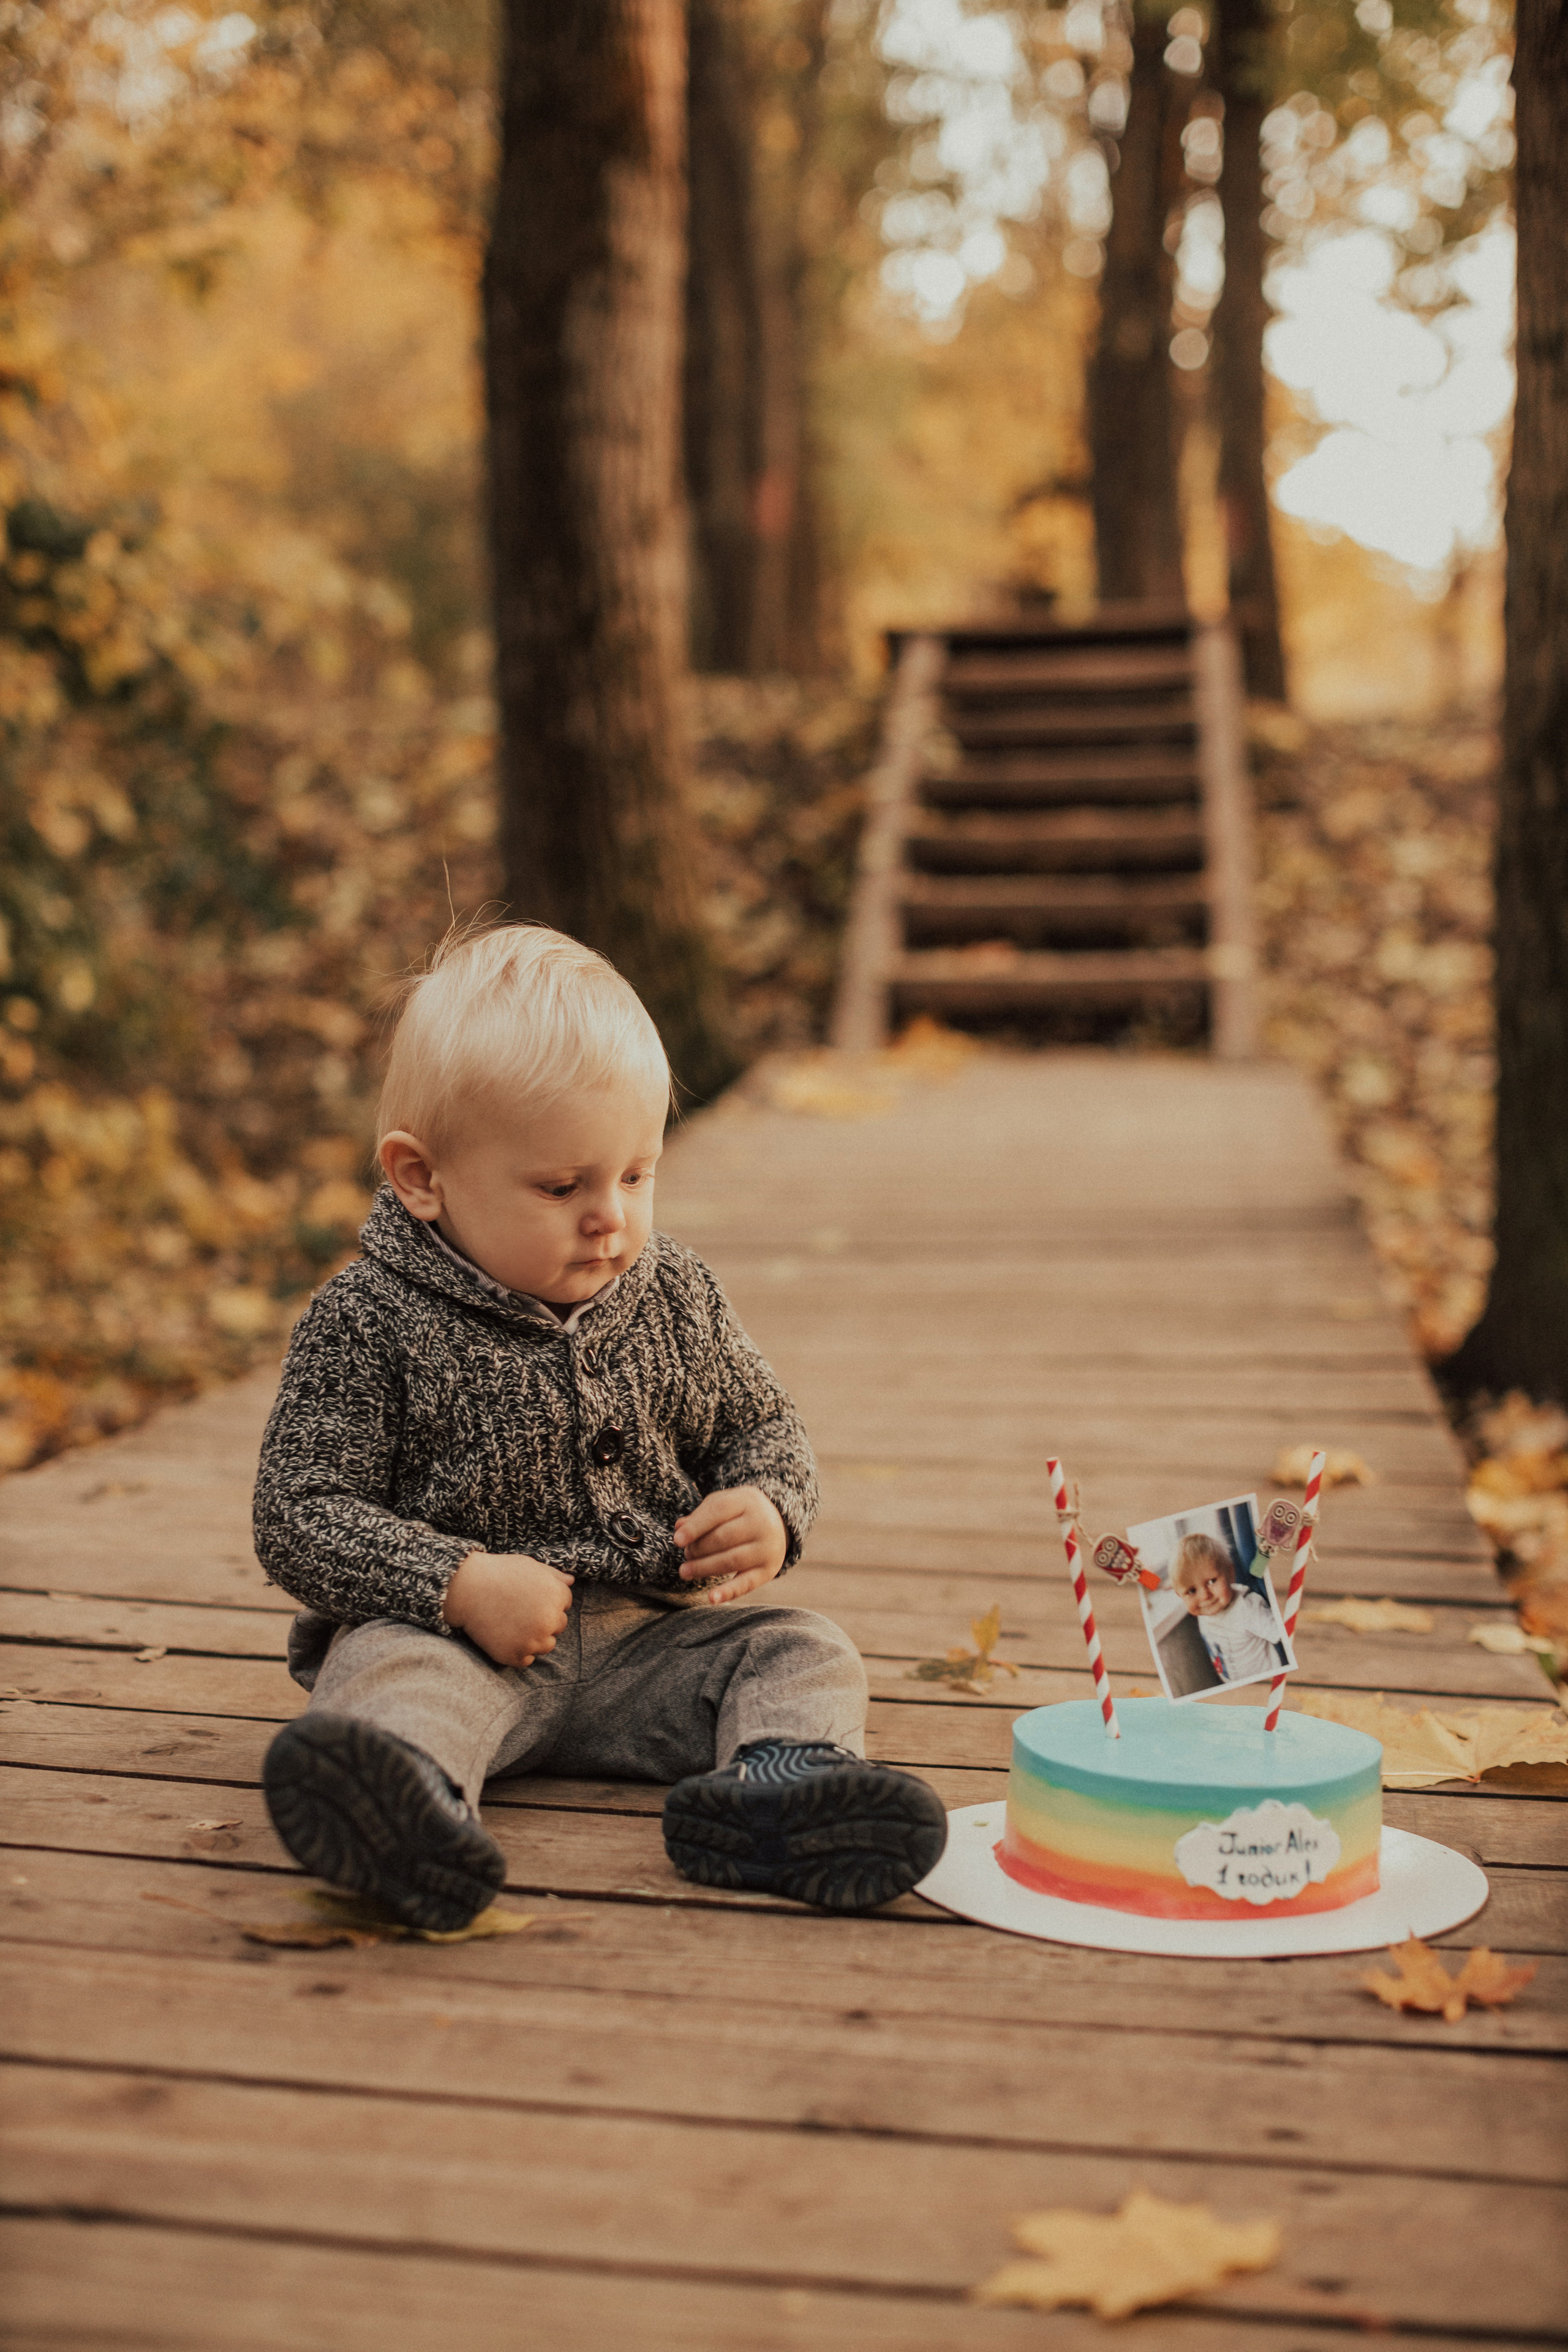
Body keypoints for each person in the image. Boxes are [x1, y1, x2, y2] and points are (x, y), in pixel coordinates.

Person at [254, 922, 947, 1930]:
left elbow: (764, 1429)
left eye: (636, 1175)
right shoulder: (369, 1321)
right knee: (383, 1672)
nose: (610, 1219)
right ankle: (404, 1807)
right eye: (562, 1186)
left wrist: (767, 1506)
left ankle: (780, 1790)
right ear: (422, 1178)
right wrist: (453, 1583)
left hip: (650, 1650)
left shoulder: (677, 1295)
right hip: (466, 1651)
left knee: (803, 1648)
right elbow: (298, 1510)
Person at [1169, 1533, 1284, 1684]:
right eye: (1191, 1591)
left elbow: (1285, 1633)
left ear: (1230, 1573)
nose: (1205, 1596)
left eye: (1212, 1581)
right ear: (1180, 1596)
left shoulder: (1247, 1609)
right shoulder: (1205, 1611)